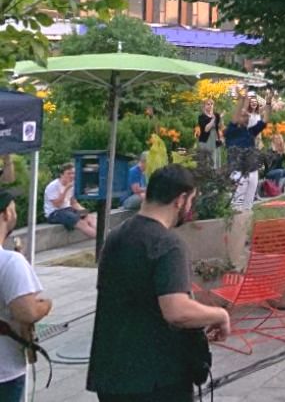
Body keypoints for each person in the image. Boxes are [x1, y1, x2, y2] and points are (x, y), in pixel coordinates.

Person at [88, 165, 231, 402]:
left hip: (112, 376)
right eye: (191, 200)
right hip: (156, 380)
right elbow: (176, 310)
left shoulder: (115, 237)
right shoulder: (167, 244)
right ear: (181, 199)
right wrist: (220, 315)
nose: (190, 208)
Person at [0, 190, 51, 402]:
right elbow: (27, 312)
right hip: (4, 369)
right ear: (6, 214)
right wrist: (46, 305)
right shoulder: (10, 262)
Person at [225, 92, 270, 211]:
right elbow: (236, 115)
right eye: (243, 116)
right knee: (237, 206)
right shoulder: (231, 131)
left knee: (248, 205)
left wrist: (269, 102)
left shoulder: (251, 131)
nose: (247, 116)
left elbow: (265, 121)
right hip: (238, 171)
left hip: (252, 170)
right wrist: (242, 100)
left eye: (247, 116)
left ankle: (246, 227)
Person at [44, 164, 97, 238]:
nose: (72, 176)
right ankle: (103, 241)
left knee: (90, 217)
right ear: (61, 175)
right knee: (81, 223)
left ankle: (108, 236)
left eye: (73, 173)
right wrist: (66, 189)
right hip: (55, 213)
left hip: (68, 209)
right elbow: (57, 205)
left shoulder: (73, 185)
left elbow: (73, 202)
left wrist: (84, 211)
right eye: (69, 173)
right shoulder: (53, 186)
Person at [196, 98, 222, 168]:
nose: (210, 106)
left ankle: (214, 177)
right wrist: (213, 119)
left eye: (212, 104)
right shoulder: (201, 117)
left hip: (215, 142)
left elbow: (218, 128)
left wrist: (220, 138)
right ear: (204, 106)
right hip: (205, 142)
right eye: (208, 104)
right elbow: (206, 129)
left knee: (215, 162)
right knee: (206, 163)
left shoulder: (217, 115)